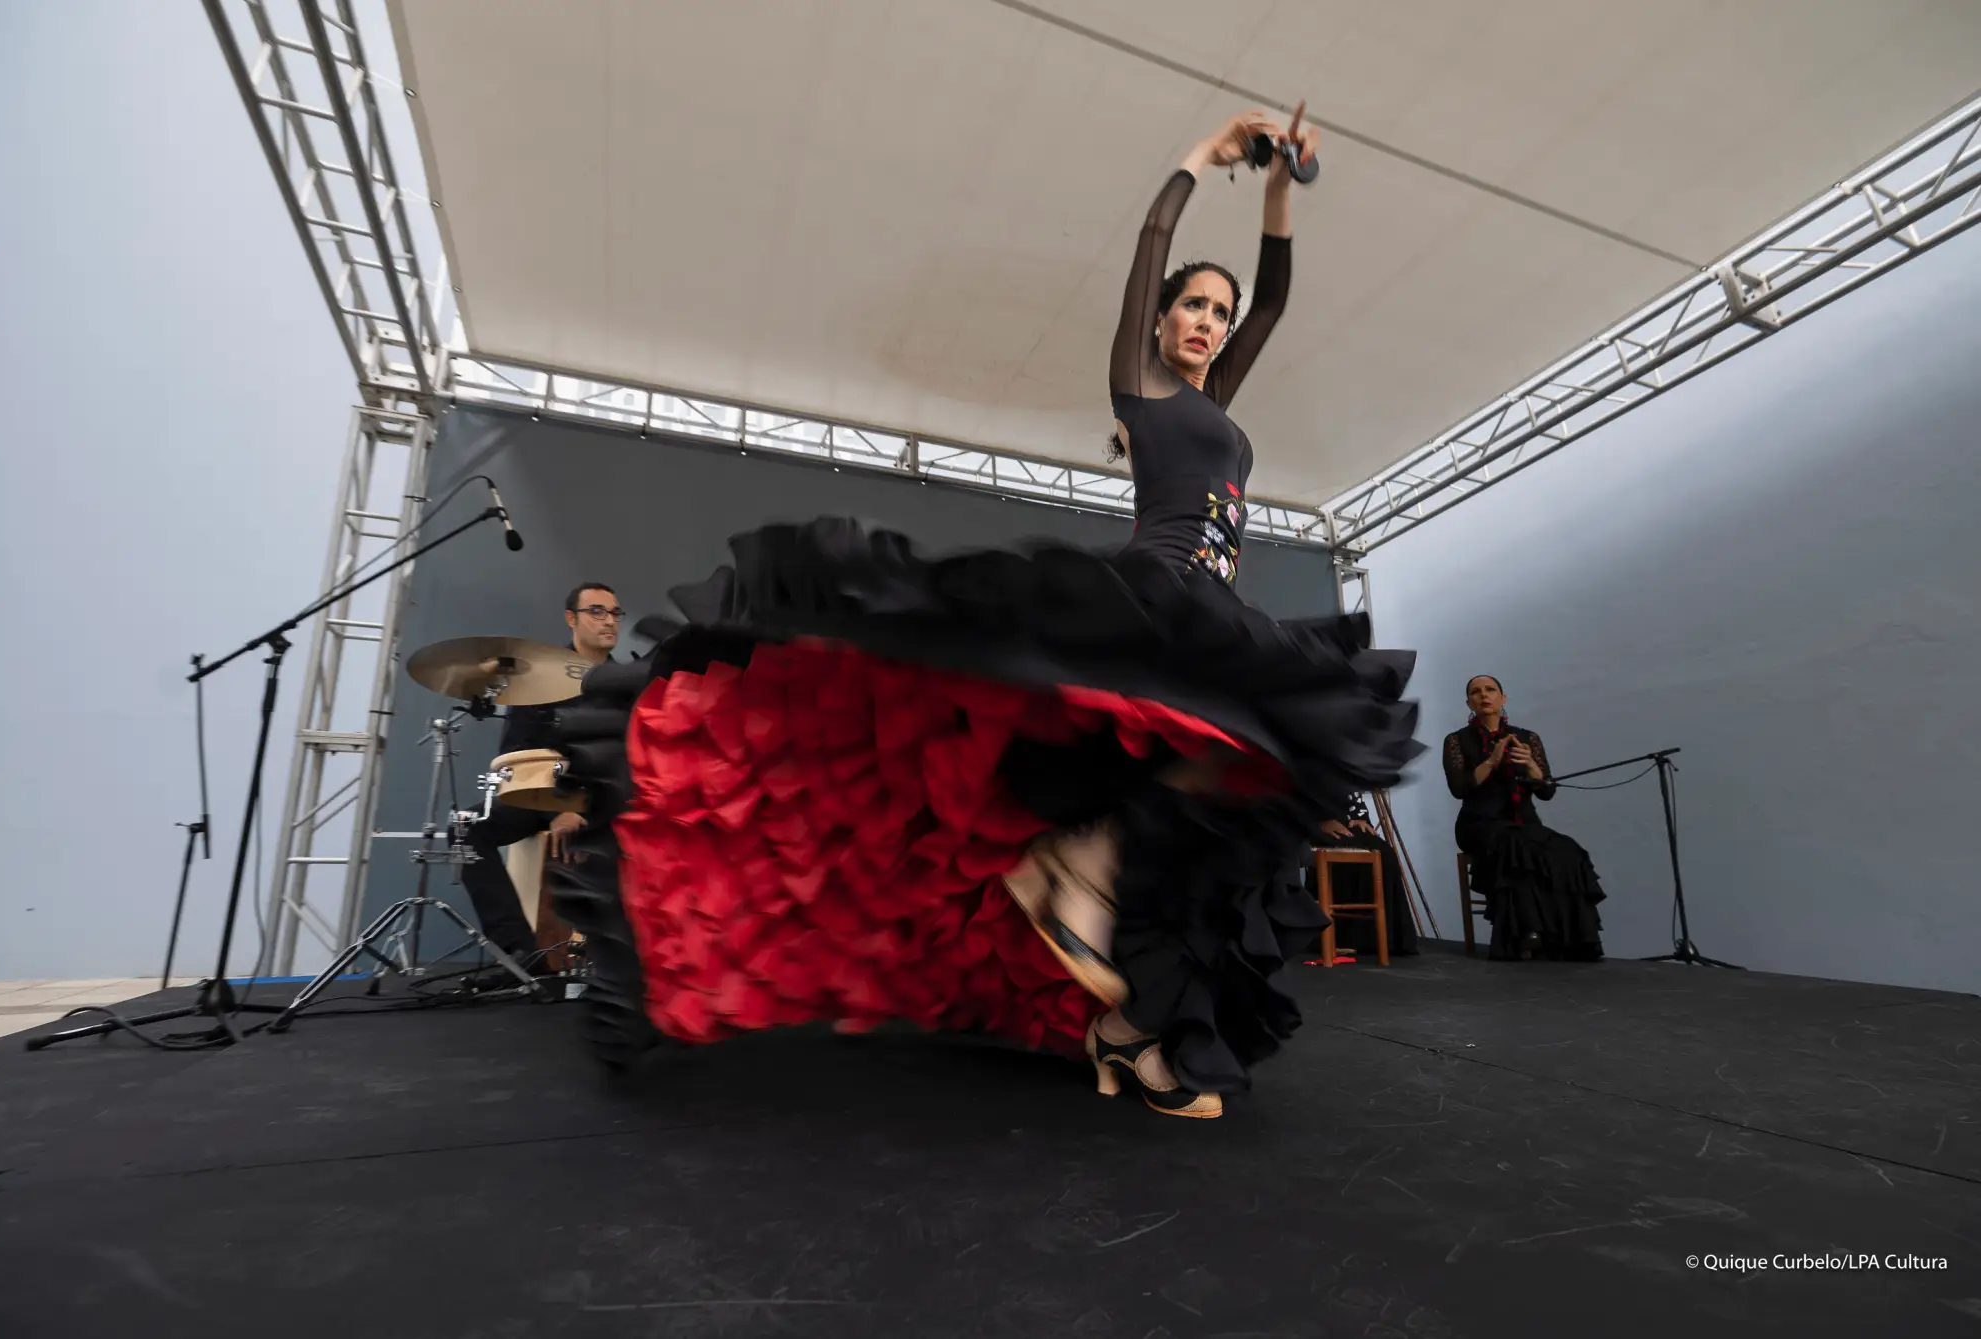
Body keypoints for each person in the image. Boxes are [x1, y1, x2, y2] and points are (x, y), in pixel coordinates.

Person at [547, 105, 1425, 1119]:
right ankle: (1079, 870)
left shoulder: (1217, 400)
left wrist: (1278, 189)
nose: (1208, 321)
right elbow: (1148, 249)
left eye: (1217, 314)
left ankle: (1130, 1032)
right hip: (1162, 589)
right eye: (1192, 305)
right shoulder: (1142, 388)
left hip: (1215, 608)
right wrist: (1203, 158)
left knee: (1237, 800)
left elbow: (1274, 299)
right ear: (1159, 322)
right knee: (1257, 743)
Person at [457, 582, 621, 968]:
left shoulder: (629, 683)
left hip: (607, 798)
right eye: (597, 611)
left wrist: (587, 806)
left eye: (615, 613)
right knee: (466, 829)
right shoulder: (539, 678)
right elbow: (514, 754)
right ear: (571, 619)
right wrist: (557, 809)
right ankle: (518, 950)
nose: (608, 621)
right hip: (545, 799)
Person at [1443, 675, 1605, 961]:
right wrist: (1492, 761)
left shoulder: (1527, 738)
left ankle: (1565, 937)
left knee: (1567, 850)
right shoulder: (1457, 740)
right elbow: (1459, 788)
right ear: (1469, 702)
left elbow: (1546, 793)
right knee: (1514, 845)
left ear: (1503, 699)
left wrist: (1530, 764)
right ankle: (1525, 931)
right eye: (1476, 692)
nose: (1484, 696)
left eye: (1490, 690)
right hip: (1478, 823)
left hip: (1523, 823)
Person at [1305, 794, 1420, 958]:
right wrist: (1317, 824)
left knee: (1383, 851)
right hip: (1310, 829)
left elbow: (1353, 799)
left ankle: (1386, 938)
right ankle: (1343, 936)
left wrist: (1361, 820)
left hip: (1344, 826)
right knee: (1350, 850)